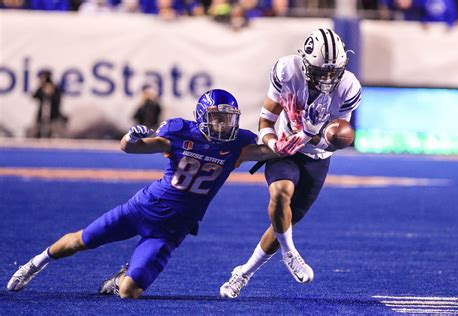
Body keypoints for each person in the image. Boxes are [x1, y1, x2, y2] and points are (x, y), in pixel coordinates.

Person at [7, 89, 300, 299]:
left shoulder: (238, 144)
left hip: (172, 230)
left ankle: (122, 275)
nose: (223, 125)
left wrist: (294, 139)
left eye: (228, 119)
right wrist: (130, 136)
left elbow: (271, 149)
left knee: (129, 292)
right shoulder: (180, 132)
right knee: (81, 242)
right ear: (201, 116)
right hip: (143, 208)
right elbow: (131, 147)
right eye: (217, 118)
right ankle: (34, 264)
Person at [219, 28, 362, 298]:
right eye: (322, 71)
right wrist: (274, 144)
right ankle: (290, 252)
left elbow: (339, 137)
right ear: (306, 63)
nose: (328, 78)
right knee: (280, 193)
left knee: (286, 222)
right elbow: (266, 120)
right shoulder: (287, 70)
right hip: (284, 150)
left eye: (334, 72)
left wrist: (312, 134)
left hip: (318, 155)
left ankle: (243, 273)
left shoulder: (350, 86)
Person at [31, 70, 67, 138]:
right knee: (36, 132)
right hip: (42, 116)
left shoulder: (55, 88)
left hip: (54, 116)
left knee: (57, 133)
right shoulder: (41, 88)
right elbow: (34, 96)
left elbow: (57, 99)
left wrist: (50, 93)